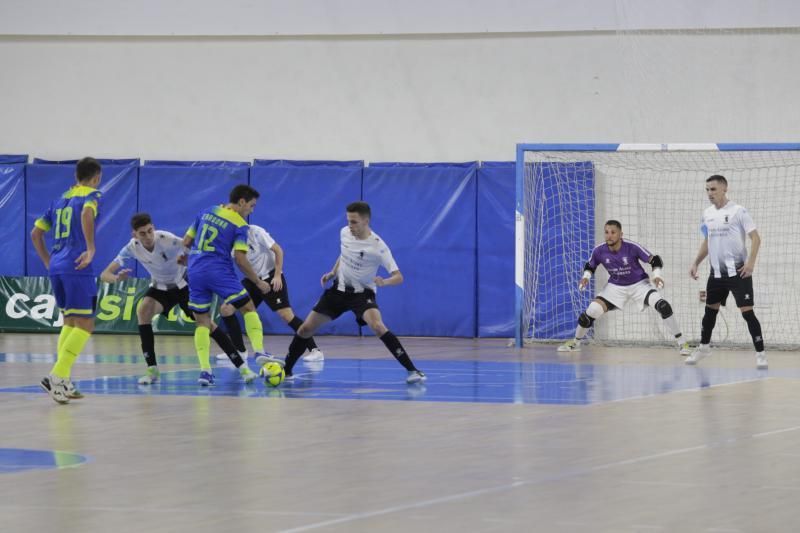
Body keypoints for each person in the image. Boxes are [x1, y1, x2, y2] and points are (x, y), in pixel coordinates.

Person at [262, 201, 426, 384]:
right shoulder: (344, 233)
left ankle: (413, 370)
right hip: (337, 292)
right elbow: (344, 254)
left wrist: (384, 282)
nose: (350, 226)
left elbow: (399, 276)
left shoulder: (378, 247)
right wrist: (332, 272)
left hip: (362, 295)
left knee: (378, 326)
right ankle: (288, 369)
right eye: (348, 221)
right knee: (305, 328)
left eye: (354, 222)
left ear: (366, 221)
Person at [100, 212, 248, 385]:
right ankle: (152, 369)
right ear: (135, 235)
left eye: (150, 231)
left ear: (153, 228)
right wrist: (117, 279)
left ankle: (241, 365)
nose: (148, 236)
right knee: (143, 311)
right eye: (142, 233)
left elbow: (193, 250)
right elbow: (105, 274)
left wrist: (189, 261)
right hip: (160, 288)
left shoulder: (166, 239)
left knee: (207, 324)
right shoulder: (131, 248)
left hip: (183, 284)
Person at [183, 184, 282, 385]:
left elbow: (186, 241)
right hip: (218, 270)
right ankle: (259, 351)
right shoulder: (239, 224)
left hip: (195, 270)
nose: (251, 211)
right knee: (248, 306)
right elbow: (240, 259)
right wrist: (257, 281)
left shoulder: (207, 210)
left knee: (202, 322)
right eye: (251, 206)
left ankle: (205, 372)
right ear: (242, 202)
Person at [558, 220, 691, 355]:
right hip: (615, 286)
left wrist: (657, 275)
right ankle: (575, 342)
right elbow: (590, 265)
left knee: (663, 306)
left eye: (613, 232)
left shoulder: (631, 247)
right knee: (590, 312)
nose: (609, 236)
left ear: (621, 234)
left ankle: (682, 343)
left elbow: (655, 260)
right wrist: (586, 277)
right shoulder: (599, 250)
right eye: (606, 232)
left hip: (639, 284)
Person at [30, 157, 102, 403]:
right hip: (78, 265)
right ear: (96, 177)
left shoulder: (59, 199)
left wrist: (48, 262)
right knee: (86, 325)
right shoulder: (91, 195)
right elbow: (86, 214)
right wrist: (91, 248)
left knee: (70, 322)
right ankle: (55, 376)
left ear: (76, 176)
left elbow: (36, 233)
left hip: (58, 265)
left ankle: (64, 381)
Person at [686, 174, 766, 369]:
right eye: (707, 190)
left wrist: (751, 264)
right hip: (717, 274)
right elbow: (708, 241)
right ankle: (704, 347)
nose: (709, 193)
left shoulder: (739, 211)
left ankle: (761, 354)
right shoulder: (707, 213)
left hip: (739, 273)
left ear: (724, 189)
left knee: (747, 313)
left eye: (713, 189)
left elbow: (756, 238)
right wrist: (696, 262)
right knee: (709, 312)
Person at [216, 224, 324, 363]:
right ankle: (239, 351)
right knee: (226, 309)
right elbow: (239, 263)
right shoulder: (229, 241)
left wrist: (278, 275)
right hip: (252, 279)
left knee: (286, 315)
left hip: (271, 277)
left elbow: (278, 250)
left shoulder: (255, 231)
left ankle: (315, 350)